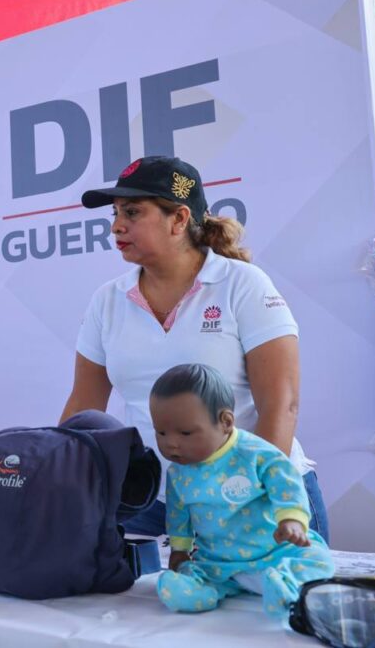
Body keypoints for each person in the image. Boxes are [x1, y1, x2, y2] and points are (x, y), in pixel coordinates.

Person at [60, 155, 328, 542]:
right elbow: (83, 409)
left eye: (132, 212)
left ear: (179, 219)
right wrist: (51, 475)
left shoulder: (243, 284)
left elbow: (280, 405)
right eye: (115, 213)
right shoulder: (107, 300)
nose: (117, 225)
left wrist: (248, 497)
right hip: (155, 505)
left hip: (258, 494)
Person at [150, 363, 333, 616]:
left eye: (185, 433)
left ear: (225, 422)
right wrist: (180, 549)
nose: (171, 443)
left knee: (319, 560)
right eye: (161, 432)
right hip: (219, 562)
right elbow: (177, 514)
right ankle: (197, 590)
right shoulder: (178, 473)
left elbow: (286, 483)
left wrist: (291, 519)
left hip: (273, 551)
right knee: (188, 575)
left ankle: (284, 584)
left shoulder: (255, 454)